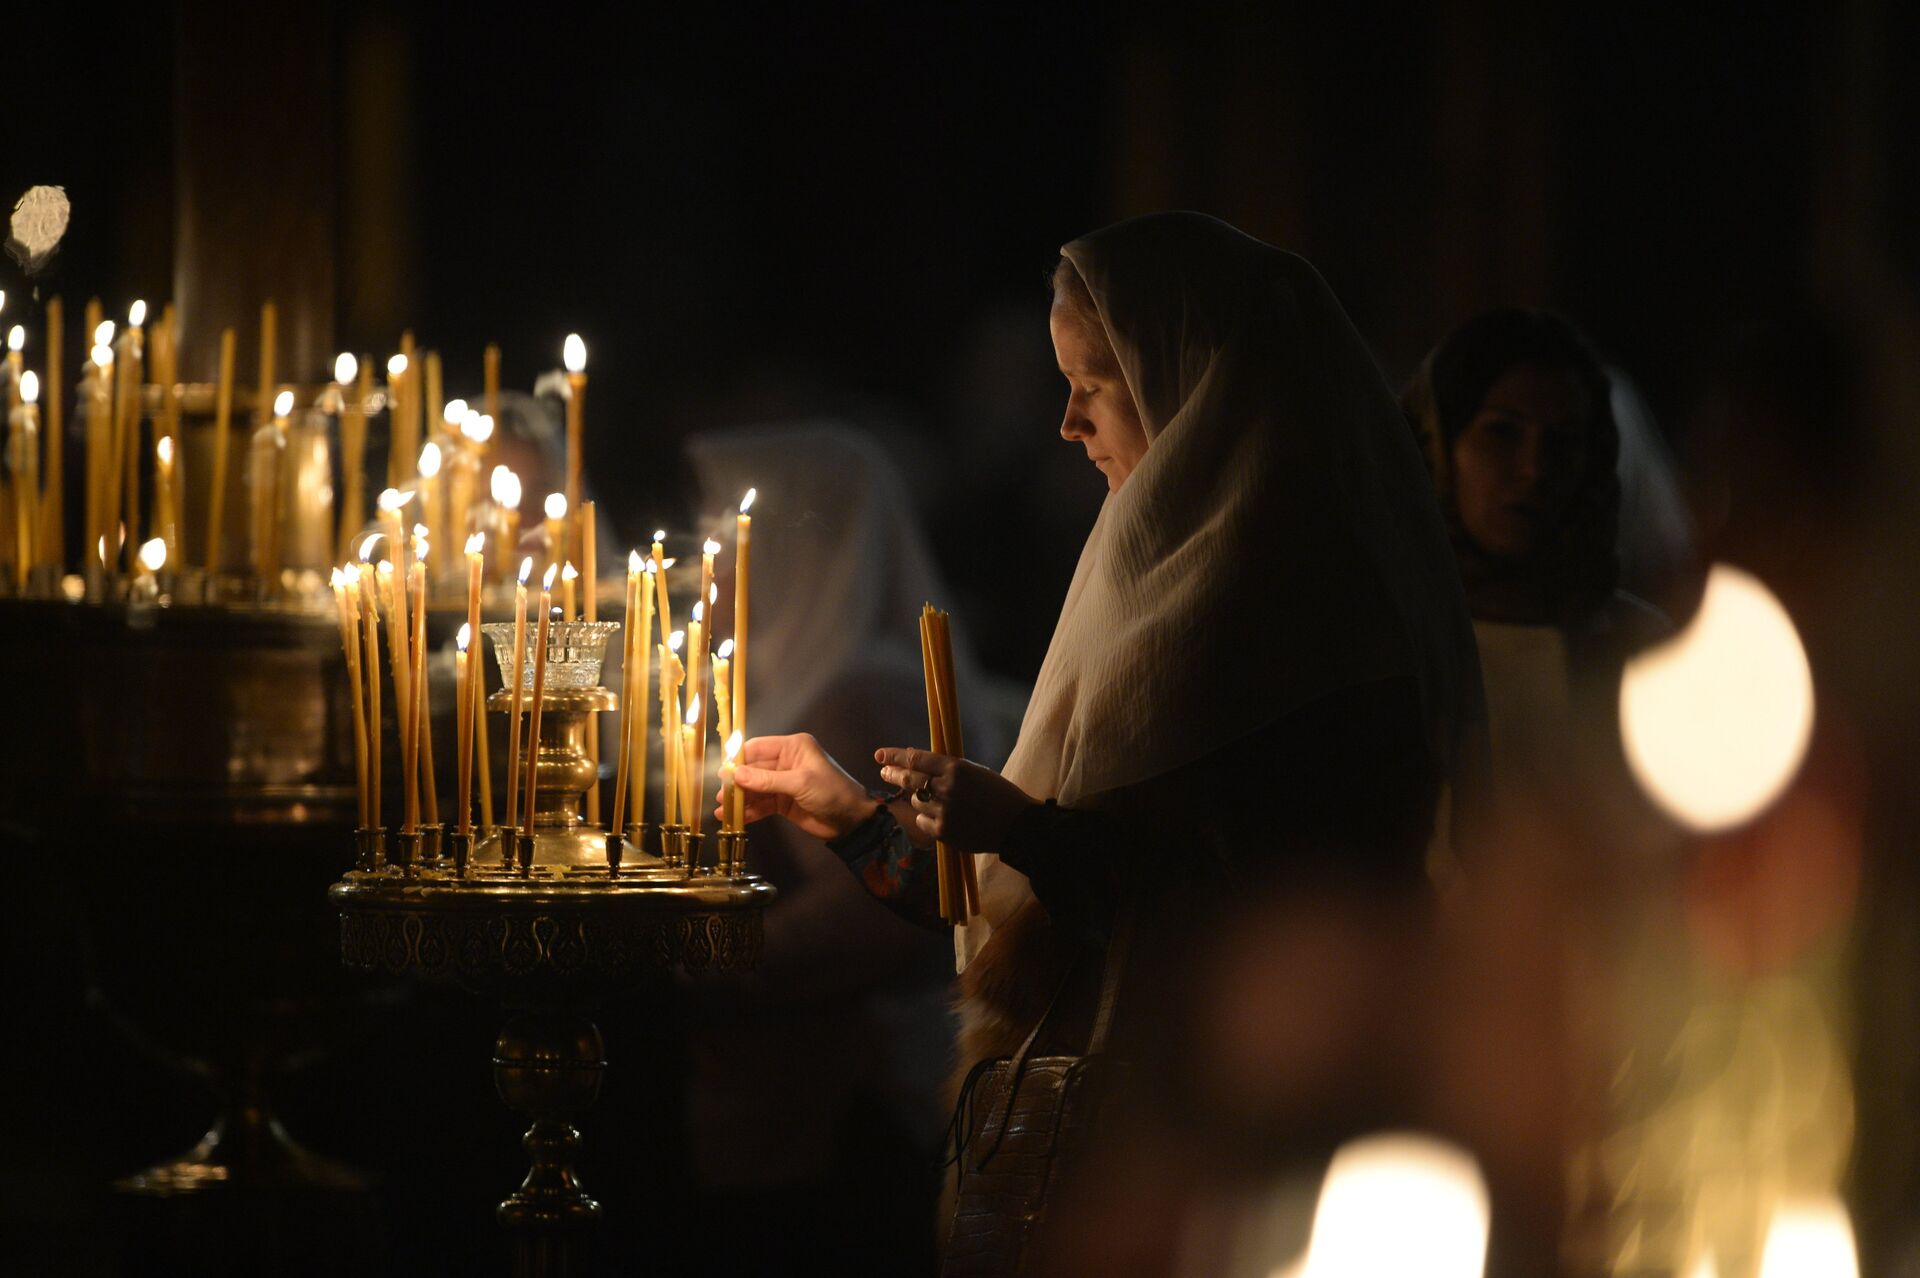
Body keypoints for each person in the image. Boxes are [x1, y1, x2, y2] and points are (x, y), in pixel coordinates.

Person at [728, 212, 1484, 1258]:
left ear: (1194, 381)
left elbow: (1242, 909)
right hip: (1092, 1139)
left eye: (1097, 381)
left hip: (1223, 1153)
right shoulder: (1147, 572)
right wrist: (852, 816)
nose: (1068, 424)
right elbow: (1019, 928)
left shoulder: (1306, 608)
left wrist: (1024, 827)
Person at [673, 422, 1020, 1273]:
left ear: (808, 539)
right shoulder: (812, 678)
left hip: (847, 1118)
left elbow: (894, 915)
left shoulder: (868, 690)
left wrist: (686, 958)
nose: (700, 563)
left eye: (718, 530)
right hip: (790, 1113)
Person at [1401, 308, 1668, 811]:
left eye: (1562, 443)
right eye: (1501, 432)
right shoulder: (1390, 644)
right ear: (1435, 446)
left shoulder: (1646, 650)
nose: (1533, 469)